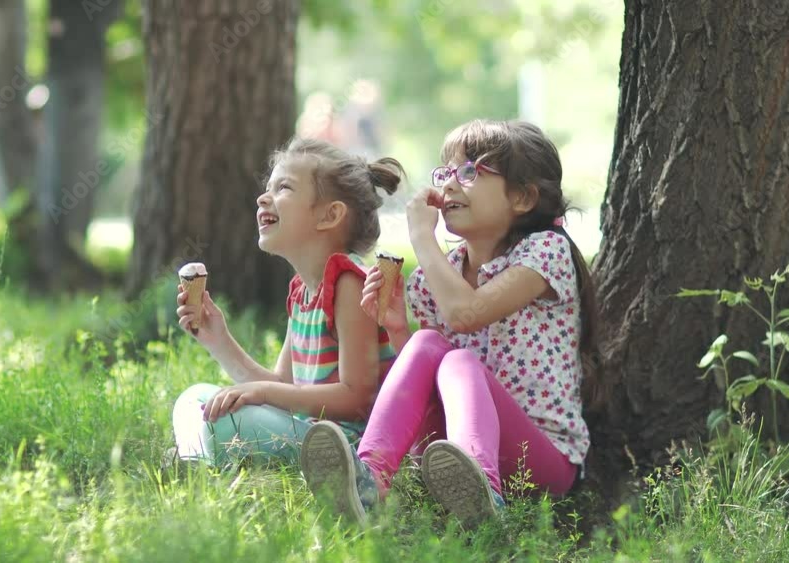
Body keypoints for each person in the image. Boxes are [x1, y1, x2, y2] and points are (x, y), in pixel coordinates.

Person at [299, 119, 605, 528]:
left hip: (540, 460)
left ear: (523, 196)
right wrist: (398, 331)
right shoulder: (438, 278)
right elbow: (432, 375)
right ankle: (368, 479)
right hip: (451, 455)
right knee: (427, 344)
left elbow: (466, 316)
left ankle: (485, 493)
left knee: (460, 361)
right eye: (445, 172)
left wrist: (422, 238)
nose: (449, 184)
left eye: (470, 172)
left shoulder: (544, 251)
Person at [171, 138, 403, 468]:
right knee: (193, 399)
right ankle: (198, 460)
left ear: (329, 215)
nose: (263, 198)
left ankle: (199, 458)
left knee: (227, 419)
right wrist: (218, 340)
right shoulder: (305, 292)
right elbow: (284, 387)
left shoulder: (351, 283)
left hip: (340, 448)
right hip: (307, 432)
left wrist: (263, 394)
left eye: (284, 188)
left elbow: (357, 399)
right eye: (268, 187)